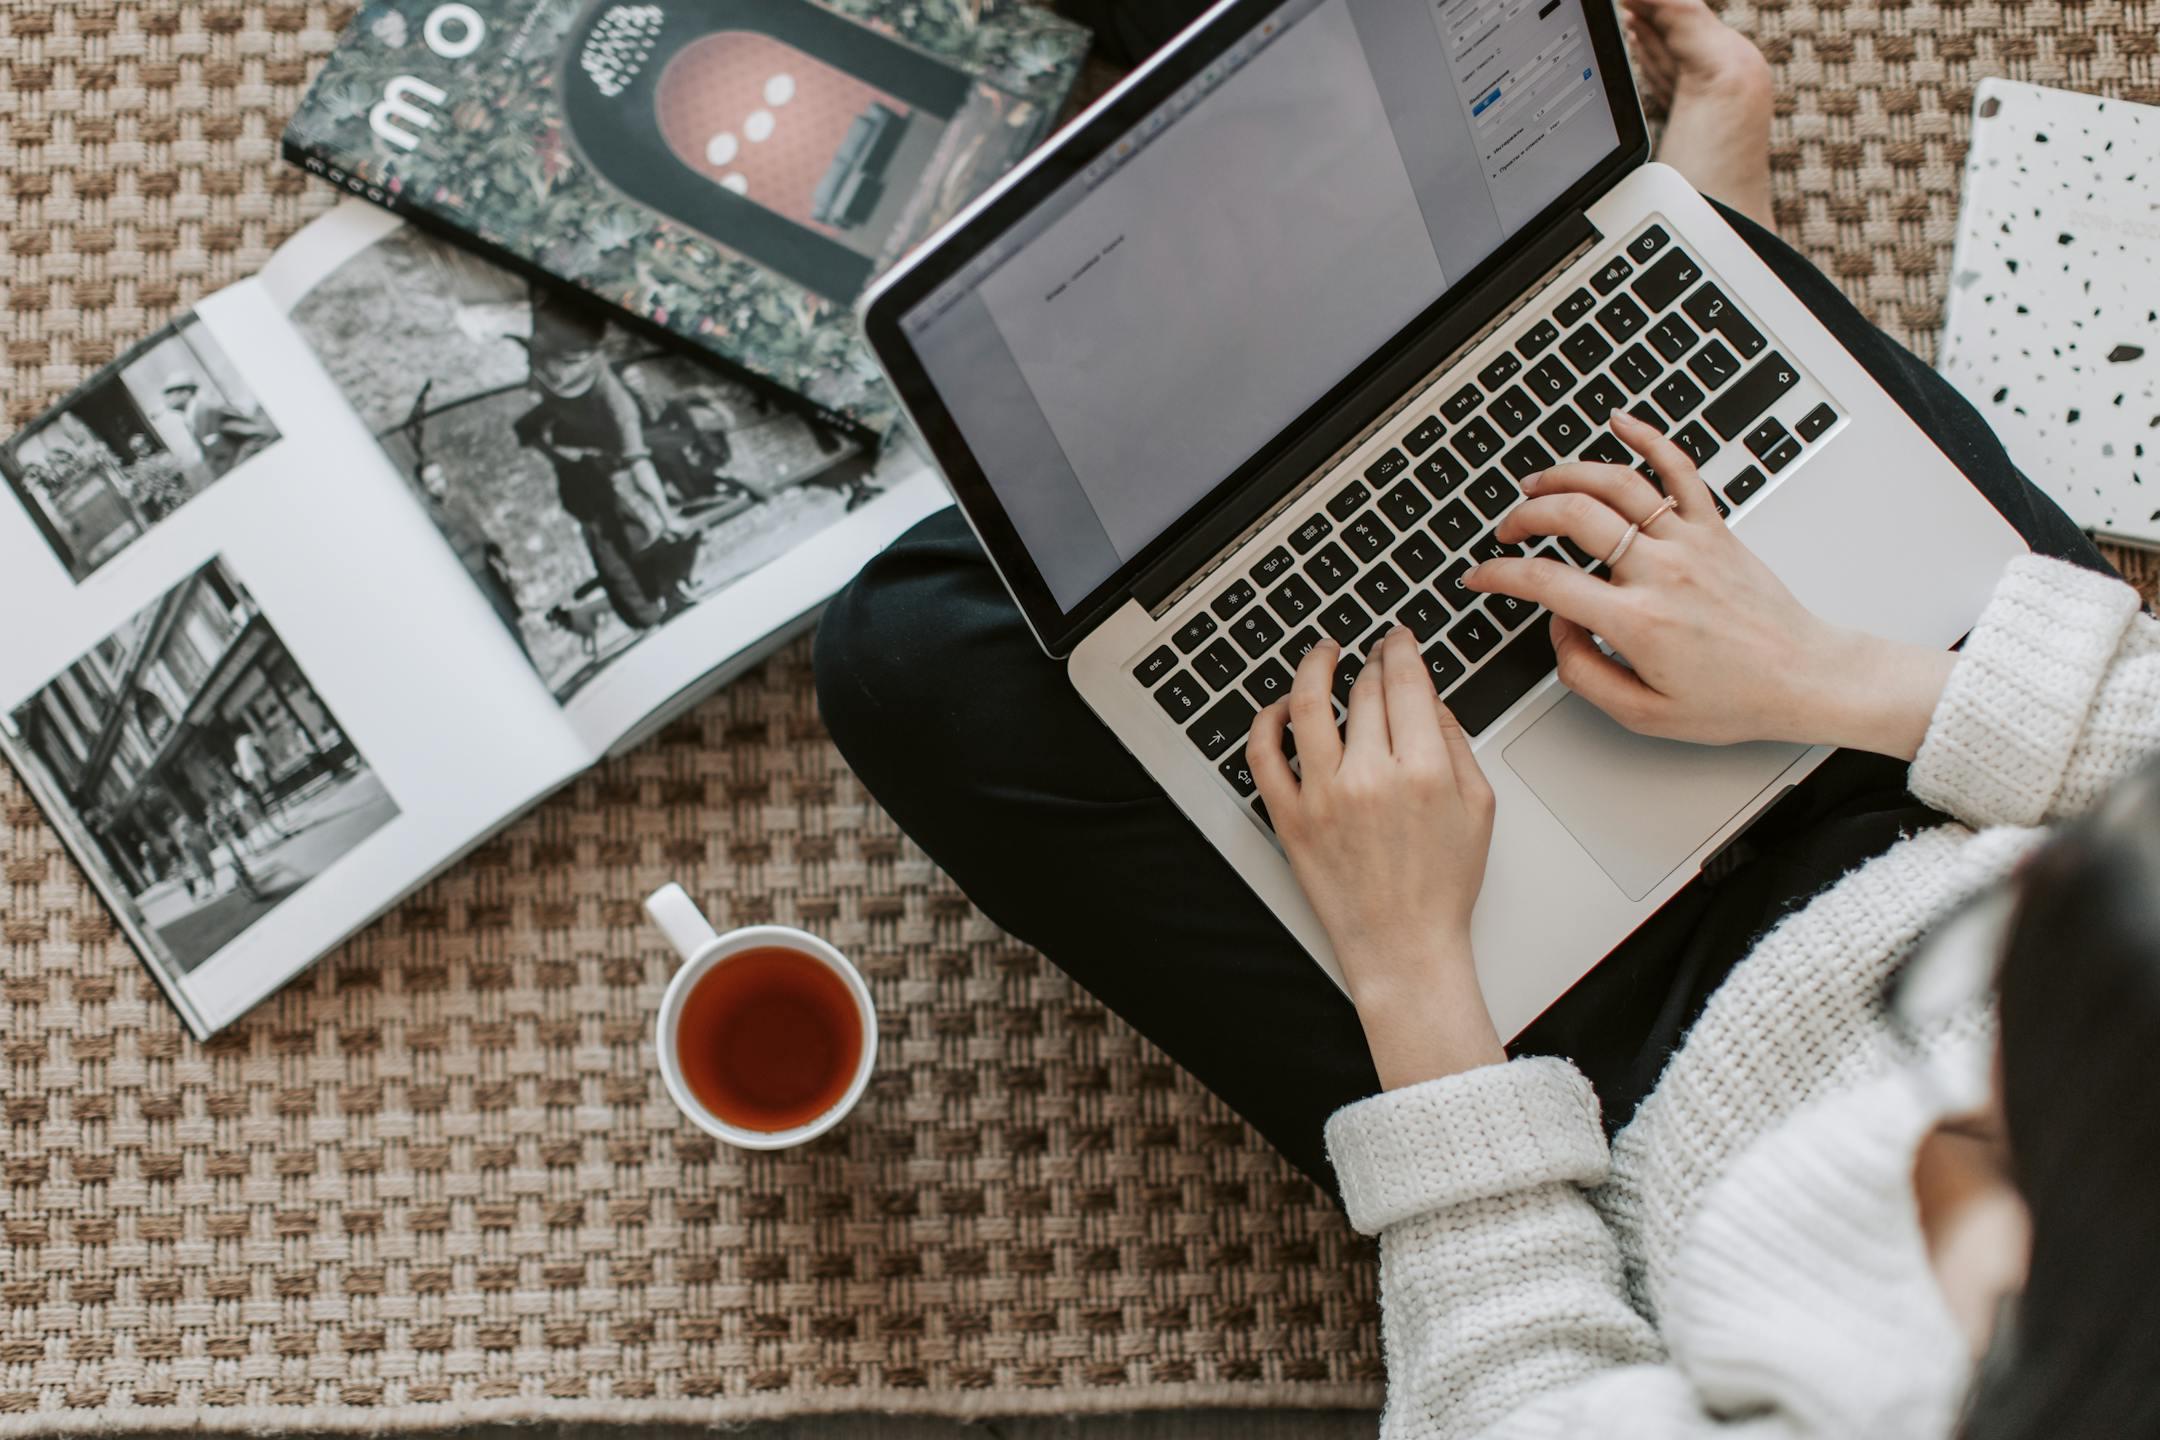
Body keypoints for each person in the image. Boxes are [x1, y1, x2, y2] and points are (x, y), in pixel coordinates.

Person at [811, 0, 2160, 1433]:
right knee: (1668, 279)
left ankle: (1643, 264)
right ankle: (1661, 263)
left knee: (917, 654)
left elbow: (1513, 1397)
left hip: (1588, 1079)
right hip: (1954, 766)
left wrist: (1411, 978)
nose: (1928, 1101)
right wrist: (1820, 668)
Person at [512, 301, 699, 630]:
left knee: (628, 535)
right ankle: (650, 605)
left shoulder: (618, 404)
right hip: (585, 467)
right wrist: (561, 459)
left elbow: (639, 464)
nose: (556, 377)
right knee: (610, 540)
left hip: (607, 463)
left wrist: (666, 515)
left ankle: (661, 597)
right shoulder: (552, 352)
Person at [162, 375, 274, 475]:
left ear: (185, 393)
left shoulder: (210, 411)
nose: (166, 400)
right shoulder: (191, 420)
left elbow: (257, 436)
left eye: (170, 394)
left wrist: (237, 469)